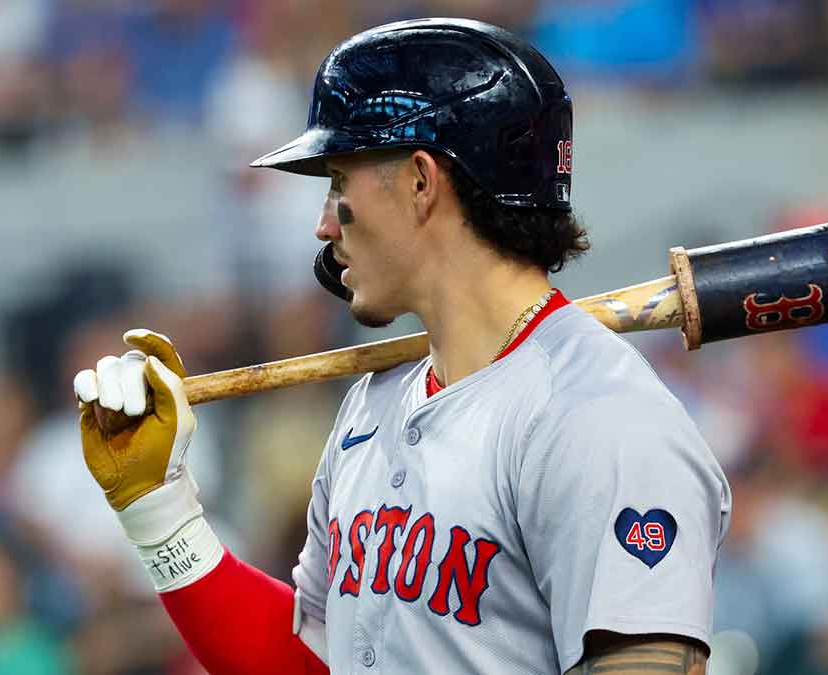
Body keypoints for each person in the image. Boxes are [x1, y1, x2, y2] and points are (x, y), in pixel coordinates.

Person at [73, 18, 731, 675]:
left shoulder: (602, 418)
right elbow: (308, 661)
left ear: (421, 181)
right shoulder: (370, 407)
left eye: (339, 181)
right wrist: (159, 511)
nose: (323, 222)